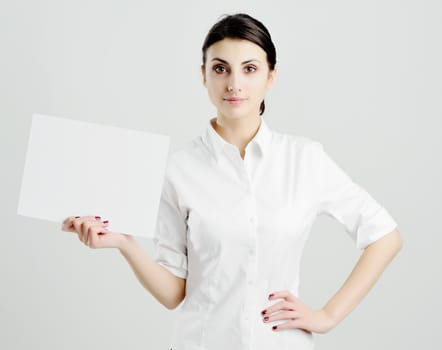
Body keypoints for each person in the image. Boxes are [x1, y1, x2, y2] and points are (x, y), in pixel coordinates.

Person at [61, 13, 402, 350]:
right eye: (220, 68)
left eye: (250, 69)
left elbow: (385, 236)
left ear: (272, 76)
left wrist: (327, 316)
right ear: (204, 76)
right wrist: (126, 243)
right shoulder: (179, 169)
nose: (234, 84)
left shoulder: (304, 159)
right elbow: (173, 294)